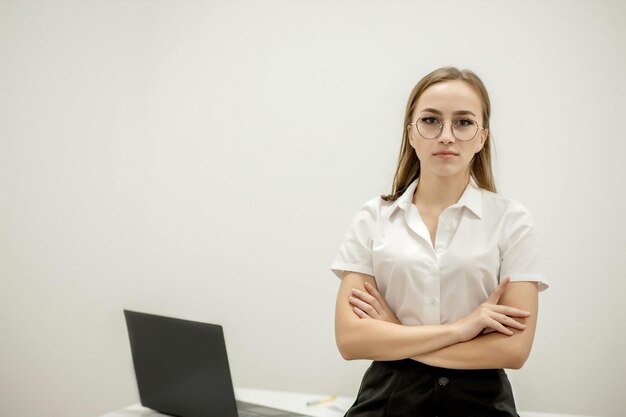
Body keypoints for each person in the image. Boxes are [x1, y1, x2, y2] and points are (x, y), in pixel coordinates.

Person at [330, 67, 548, 417]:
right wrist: (462, 329)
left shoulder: (511, 221)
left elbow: (514, 350)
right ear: (411, 134)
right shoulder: (373, 217)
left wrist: (396, 333)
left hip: (481, 403)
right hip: (387, 400)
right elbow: (351, 340)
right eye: (431, 121)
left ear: (481, 137)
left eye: (463, 123)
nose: (446, 135)